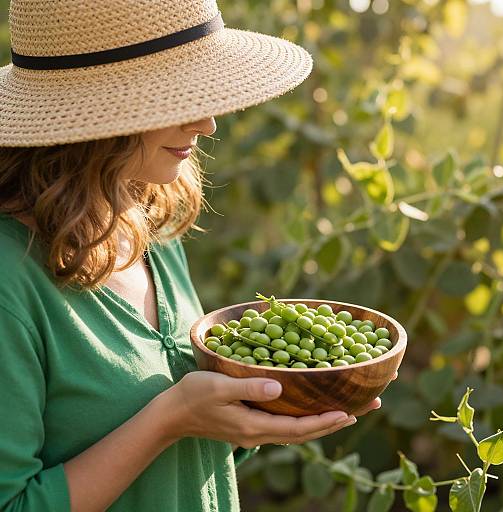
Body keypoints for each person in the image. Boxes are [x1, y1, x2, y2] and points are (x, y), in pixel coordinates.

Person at [0, 1, 390, 511]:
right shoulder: (12, 282)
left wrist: (246, 422)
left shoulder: (150, 230)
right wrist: (169, 420)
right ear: (100, 114)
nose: (207, 123)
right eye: (175, 99)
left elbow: (185, 464)